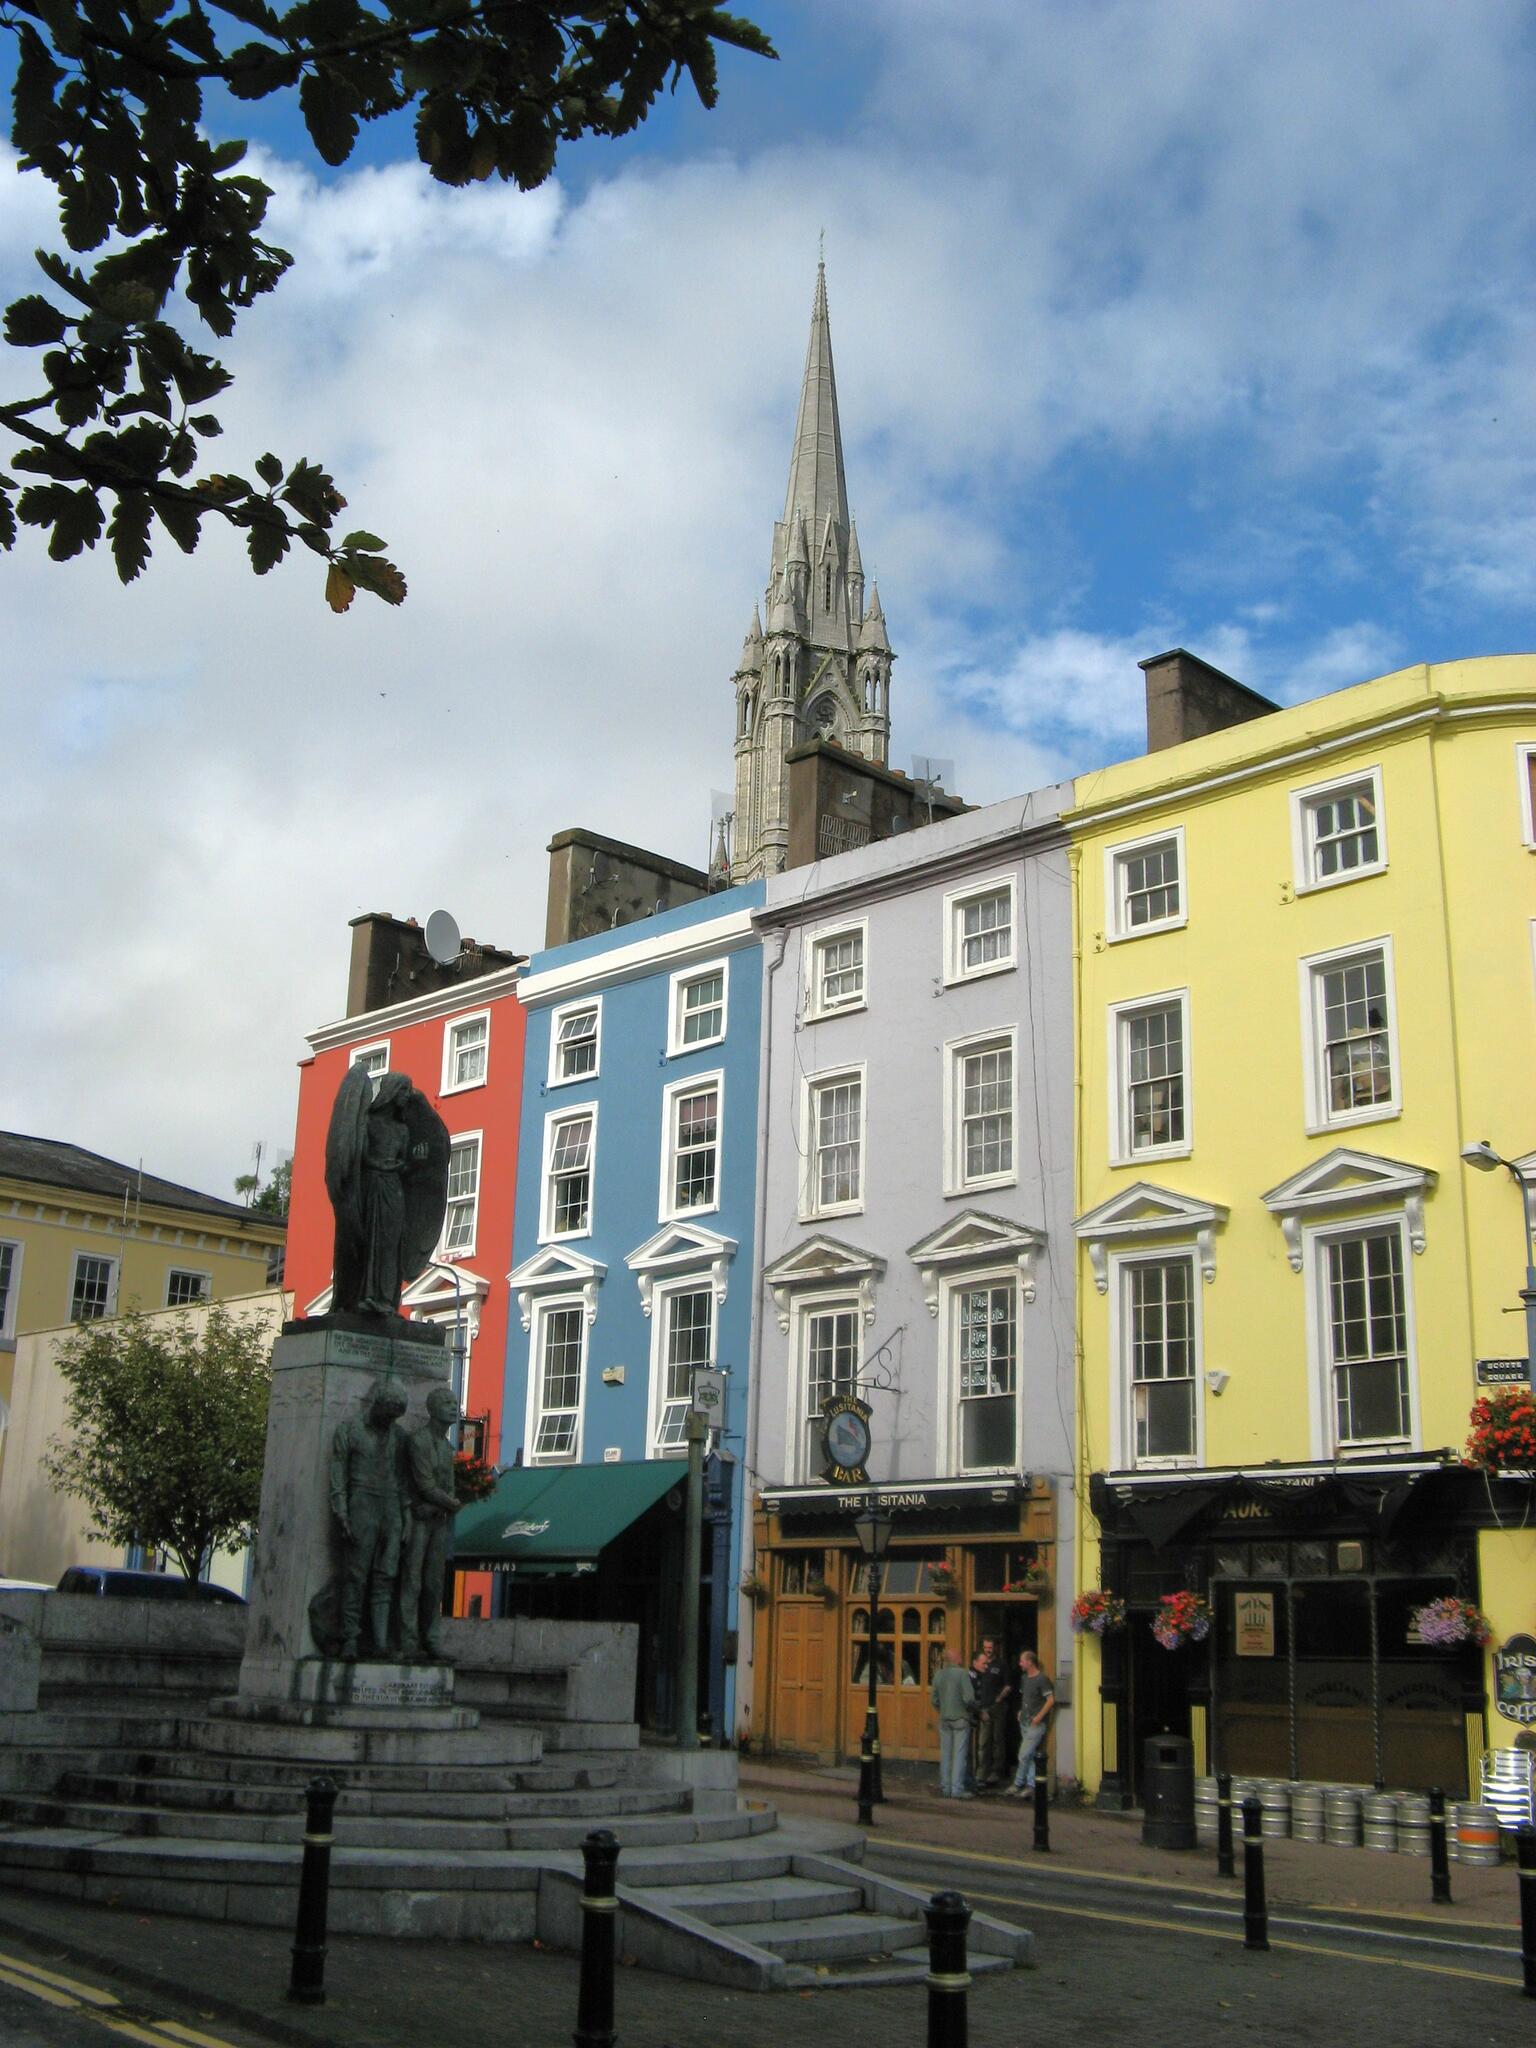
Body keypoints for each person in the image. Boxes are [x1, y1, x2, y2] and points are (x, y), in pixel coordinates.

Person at [398, 1385, 464, 1662]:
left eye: (455, 1403)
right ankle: (407, 1639)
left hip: (439, 1520)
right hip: (417, 1520)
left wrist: (449, 1503)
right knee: (412, 1580)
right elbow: (425, 1485)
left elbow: (446, 1486)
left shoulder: (447, 1447)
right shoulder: (419, 1441)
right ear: (432, 1409)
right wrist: (452, 1503)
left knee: (434, 1583)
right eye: (447, 1403)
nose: (454, 1407)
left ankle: (431, 1639)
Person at [1005, 1647, 1055, 1796]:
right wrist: (1021, 1710)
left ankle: (1018, 1783)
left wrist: (1039, 1717)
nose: (1020, 1664)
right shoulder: (1024, 1678)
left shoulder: (1042, 1679)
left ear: (1030, 1662)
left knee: (1023, 1754)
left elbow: (1050, 1700)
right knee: (1030, 1754)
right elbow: (1025, 1697)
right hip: (1025, 1721)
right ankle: (1031, 1785)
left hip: (1036, 1723)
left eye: (1022, 1661)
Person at [929, 1648, 976, 1798]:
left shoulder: (938, 1675)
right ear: (955, 1658)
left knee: (946, 1754)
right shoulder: (962, 1674)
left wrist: (942, 1709)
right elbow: (969, 1698)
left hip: (944, 1718)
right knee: (959, 1754)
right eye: (960, 1655)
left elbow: (934, 1700)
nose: (962, 1657)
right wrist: (970, 1711)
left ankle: (945, 1787)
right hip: (961, 1717)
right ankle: (957, 1789)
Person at [973, 1637, 1011, 1788]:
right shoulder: (980, 1663)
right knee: (983, 1742)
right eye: (985, 1647)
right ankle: (981, 1773)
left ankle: (996, 1772)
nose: (988, 1650)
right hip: (983, 1707)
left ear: (995, 1648)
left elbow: (1008, 1685)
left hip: (997, 1707)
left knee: (997, 1740)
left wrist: (1000, 1698)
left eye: (990, 1647)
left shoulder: (1001, 1664)